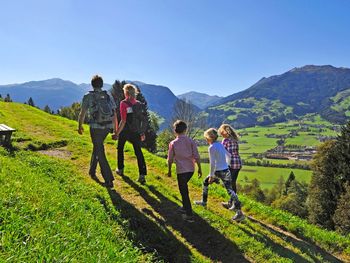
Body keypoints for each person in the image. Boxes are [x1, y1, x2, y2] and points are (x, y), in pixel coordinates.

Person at [194, 128, 245, 222]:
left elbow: (212, 163)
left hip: (218, 171)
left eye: (206, 138)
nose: (205, 140)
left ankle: (204, 202)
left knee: (205, 183)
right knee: (230, 191)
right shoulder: (220, 145)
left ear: (210, 138)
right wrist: (227, 165)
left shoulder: (212, 147)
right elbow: (229, 155)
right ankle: (239, 212)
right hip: (225, 170)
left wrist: (211, 175)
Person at [77, 75, 117, 188]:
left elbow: (82, 112)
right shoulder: (108, 95)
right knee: (97, 146)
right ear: (102, 84)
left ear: (92, 84)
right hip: (108, 127)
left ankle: (109, 179)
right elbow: (114, 113)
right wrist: (115, 130)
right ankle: (92, 171)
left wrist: (79, 126)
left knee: (99, 150)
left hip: (96, 127)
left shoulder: (88, 96)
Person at [167, 120, 202, 223]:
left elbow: (170, 159)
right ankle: (185, 207)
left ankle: (189, 215)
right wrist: (199, 168)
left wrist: (169, 170)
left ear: (175, 131)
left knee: (184, 192)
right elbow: (196, 156)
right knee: (184, 189)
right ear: (185, 130)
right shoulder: (191, 141)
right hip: (191, 169)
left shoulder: (173, 143)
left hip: (181, 171)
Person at [113, 83, 147, 184]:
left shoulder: (123, 103)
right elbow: (142, 120)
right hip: (136, 131)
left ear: (126, 93)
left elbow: (123, 120)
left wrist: (117, 133)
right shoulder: (139, 104)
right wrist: (142, 132)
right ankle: (142, 175)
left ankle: (120, 169)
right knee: (138, 152)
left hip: (125, 130)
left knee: (120, 148)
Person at [218, 124, 242, 194]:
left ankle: (233, 201)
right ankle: (233, 201)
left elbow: (222, 153)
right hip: (237, 163)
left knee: (228, 183)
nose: (221, 134)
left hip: (230, 163)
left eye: (222, 132)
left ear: (226, 132)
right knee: (232, 182)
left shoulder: (225, 140)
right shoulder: (234, 139)